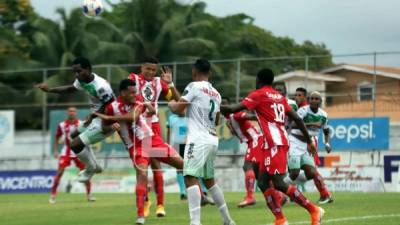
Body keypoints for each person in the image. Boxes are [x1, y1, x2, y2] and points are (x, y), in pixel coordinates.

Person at [221, 68, 324, 225]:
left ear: (259, 80)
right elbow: (297, 118)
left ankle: (313, 209)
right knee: (262, 182)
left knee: (279, 183)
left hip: (275, 144)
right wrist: (309, 141)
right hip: (273, 143)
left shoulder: (259, 94)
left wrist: (212, 105)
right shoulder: (279, 97)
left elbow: (232, 109)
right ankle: (280, 219)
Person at [94, 79, 184, 225]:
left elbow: (134, 117)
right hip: (136, 147)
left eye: (135, 91)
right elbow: (104, 128)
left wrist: (111, 118)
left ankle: (199, 197)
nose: (135, 94)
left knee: (183, 164)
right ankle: (140, 215)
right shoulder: (111, 107)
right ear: (122, 93)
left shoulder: (137, 100)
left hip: (152, 140)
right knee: (142, 175)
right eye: (132, 92)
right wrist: (111, 126)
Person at [169, 58, 236, 225]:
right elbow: (218, 121)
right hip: (212, 139)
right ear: (210, 73)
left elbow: (178, 110)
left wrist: (171, 104)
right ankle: (227, 219)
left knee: (190, 176)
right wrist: (171, 86)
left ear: (194, 71)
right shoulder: (217, 94)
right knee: (209, 181)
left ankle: (195, 222)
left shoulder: (193, 86)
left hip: (197, 139)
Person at [36, 57, 115, 182]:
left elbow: (111, 105)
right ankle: (95, 166)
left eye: (79, 71)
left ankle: (90, 169)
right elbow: (70, 89)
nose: (77, 75)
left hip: (106, 120)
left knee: (75, 145)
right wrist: (50, 90)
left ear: (88, 69)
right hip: (95, 117)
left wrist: (93, 116)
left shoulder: (101, 86)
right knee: (73, 135)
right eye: (75, 72)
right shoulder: (82, 80)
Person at [128, 57, 181, 217]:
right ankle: (145, 201)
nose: (150, 72)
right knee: (140, 168)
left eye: (153, 70)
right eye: (148, 69)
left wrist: (170, 84)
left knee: (156, 166)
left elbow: (177, 100)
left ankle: (160, 204)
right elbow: (127, 93)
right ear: (141, 68)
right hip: (137, 127)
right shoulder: (133, 79)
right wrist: (144, 104)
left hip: (154, 127)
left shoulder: (160, 83)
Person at [286, 91, 333, 204]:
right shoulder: (303, 111)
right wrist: (311, 125)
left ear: (320, 101)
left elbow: (326, 130)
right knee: (295, 172)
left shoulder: (323, 115)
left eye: (316, 98)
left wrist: (327, 144)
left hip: (308, 143)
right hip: (295, 141)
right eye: (311, 98)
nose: (313, 100)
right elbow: (293, 124)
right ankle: (281, 189)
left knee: (311, 173)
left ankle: (284, 184)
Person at [221, 97, 262, 208]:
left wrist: (265, 118)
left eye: (225, 104)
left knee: (247, 166)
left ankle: (250, 197)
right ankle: (279, 196)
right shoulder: (228, 120)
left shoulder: (236, 115)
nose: (222, 106)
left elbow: (251, 116)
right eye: (221, 104)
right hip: (252, 141)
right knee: (259, 175)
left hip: (255, 140)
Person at [167, 110, 214, 205]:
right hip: (177, 145)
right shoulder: (172, 118)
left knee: (195, 167)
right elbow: (169, 132)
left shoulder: (191, 117)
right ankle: (183, 192)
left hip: (190, 144)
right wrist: (168, 144)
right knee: (180, 168)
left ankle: (203, 190)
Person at [49, 107, 95, 204]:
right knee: (59, 172)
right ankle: (53, 195)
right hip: (66, 151)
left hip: (79, 151)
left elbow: (87, 135)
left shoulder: (80, 124)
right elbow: (57, 137)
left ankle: (89, 195)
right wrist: (55, 150)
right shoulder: (61, 125)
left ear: (76, 113)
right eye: (70, 111)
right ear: (67, 113)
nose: (72, 113)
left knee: (85, 173)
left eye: (73, 111)